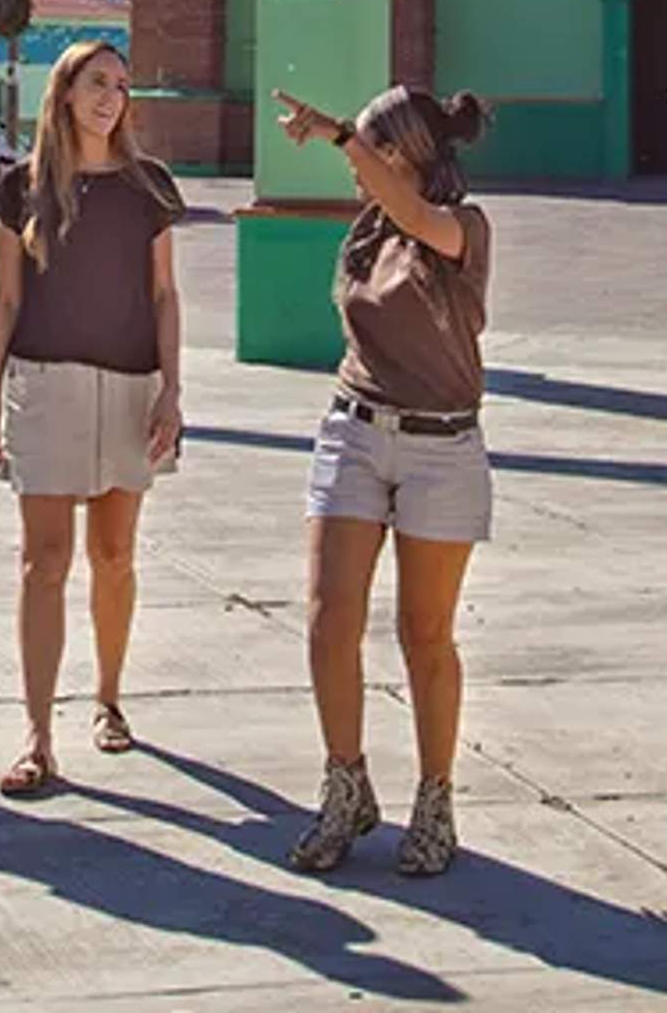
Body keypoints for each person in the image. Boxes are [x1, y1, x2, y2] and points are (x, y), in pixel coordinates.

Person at [271, 82, 493, 879]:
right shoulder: (369, 230)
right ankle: (345, 786)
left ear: (406, 155)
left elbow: (415, 215)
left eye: (372, 151)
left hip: (441, 449)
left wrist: (337, 133)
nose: (356, 171)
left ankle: (435, 801)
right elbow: (388, 210)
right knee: (330, 618)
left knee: (424, 636)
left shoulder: (461, 228)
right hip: (356, 431)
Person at [0, 40, 186, 795]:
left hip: (131, 387)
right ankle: (37, 737)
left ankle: (108, 700)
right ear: (64, 92)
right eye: (97, 82)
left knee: (115, 556)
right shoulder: (19, 188)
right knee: (43, 562)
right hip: (43, 384)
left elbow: (164, 296)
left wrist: (173, 389)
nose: (111, 97)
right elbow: (6, 300)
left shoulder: (149, 188)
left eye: (123, 86)